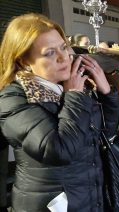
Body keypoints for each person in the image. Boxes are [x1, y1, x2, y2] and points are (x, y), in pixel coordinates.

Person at [0, 13, 111, 211]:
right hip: (52, 203)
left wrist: (107, 94)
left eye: (63, 47)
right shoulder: (13, 98)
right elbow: (59, 150)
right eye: (49, 53)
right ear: (24, 61)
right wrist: (75, 96)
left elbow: (103, 132)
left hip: (88, 194)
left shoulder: (68, 85)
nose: (64, 58)